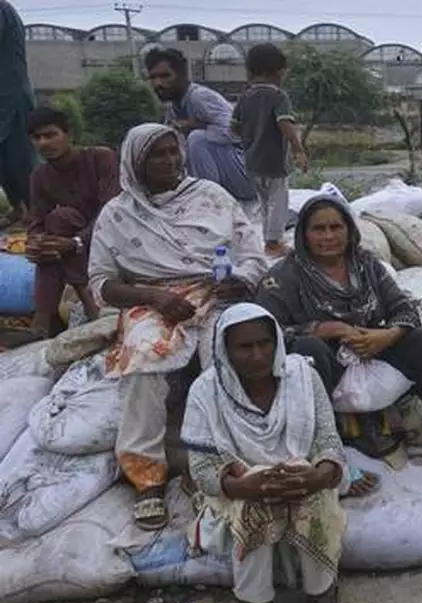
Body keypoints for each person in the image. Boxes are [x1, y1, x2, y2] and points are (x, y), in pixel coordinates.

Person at [89, 123, 267, 531]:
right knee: (145, 355)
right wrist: (154, 299)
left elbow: (250, 248)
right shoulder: (118, 214)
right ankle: (146, 475)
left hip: (217, 291)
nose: (171, 160)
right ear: (135, 163)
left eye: (175, 151)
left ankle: (226, 461)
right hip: (151, 299)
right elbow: (102, 283)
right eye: (158, 155)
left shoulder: (211, 196)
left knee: (231, 353)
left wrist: (241, 279)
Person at [255, 193, 422, 480]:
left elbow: (404, 308)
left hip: (372, 352)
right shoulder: (283, 277)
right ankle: (330, 456)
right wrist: (322, 329)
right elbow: (263, 330)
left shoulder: (366, 265)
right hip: (327, 365)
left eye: (336, 227)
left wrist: (386, 336)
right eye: (319, 229)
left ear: (349, 230)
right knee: (309, 349)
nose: (328, 236)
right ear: (303, 235)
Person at [182, 304, 345, 603]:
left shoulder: (303, 376)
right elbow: (201, 468)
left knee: (311, 500)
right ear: (225, 349)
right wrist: (241, 486)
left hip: (303, 476)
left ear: (277, 343)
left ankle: (322, 591)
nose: (257, 355)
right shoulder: (205, 390)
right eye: (244, 347)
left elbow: (328, 440)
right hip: (241, 484)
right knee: (252, 503)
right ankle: (251, 601)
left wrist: (319, 475)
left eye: (264, 343)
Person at [25, 106, 117, 337]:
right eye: (37, 138)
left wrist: (76, 242)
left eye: (50, 134)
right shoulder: (40, 175)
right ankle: (85, 306)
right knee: (57, 223)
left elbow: (111, 212)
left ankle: (43, 318)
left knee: (60, 219)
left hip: (113, 236)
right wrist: (35, 243)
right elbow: (36, 220)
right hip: (70, 242)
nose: (44, 142)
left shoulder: (100, 158)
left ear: (69, 135)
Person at [145, 47, 256, 203]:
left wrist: (194, 126)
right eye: (153, 78)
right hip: (228, 179)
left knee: (197, 139)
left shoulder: (199, 97)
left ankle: (208, 201)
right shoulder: (172, 106)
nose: (158, 83)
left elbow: (236, 132)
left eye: (165, 76)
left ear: (182, 75)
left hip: (246, 175)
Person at [232, 43, 308, 258]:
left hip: (252, 161)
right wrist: (298, 149)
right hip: (274, 160)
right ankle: (274, 243)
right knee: (278, 202)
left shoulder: (245, 96)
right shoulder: (278, 96)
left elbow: (233, 127)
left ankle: (268, 238)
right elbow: (285, 124)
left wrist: (251, 133)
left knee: (264, 202)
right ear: (276, 71)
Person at [0, 0, 34, 220]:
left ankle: (32, 210)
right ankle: (18, 208)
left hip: (10, 98)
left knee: (18, 158)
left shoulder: (1, 9)